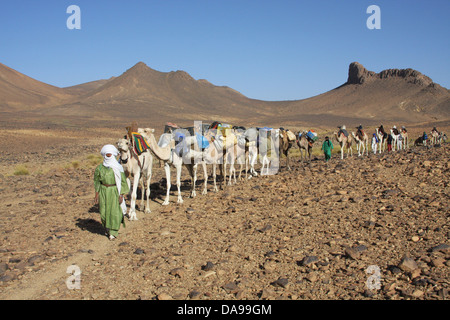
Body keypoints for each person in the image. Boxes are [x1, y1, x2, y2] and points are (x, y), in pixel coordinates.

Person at [94, 144, 130, 240]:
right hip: (103, 191)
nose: (108, 156)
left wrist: (121, 194)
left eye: (110, 154)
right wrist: (96, 193)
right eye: (107, 154)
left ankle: (113, 232)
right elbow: (97, 181)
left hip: (114, 191)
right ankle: (107, 228)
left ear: (113, 155)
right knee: (103, 211)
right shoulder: (99, 168)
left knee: (114, 212)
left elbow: (122, 181)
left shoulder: (118, 168)